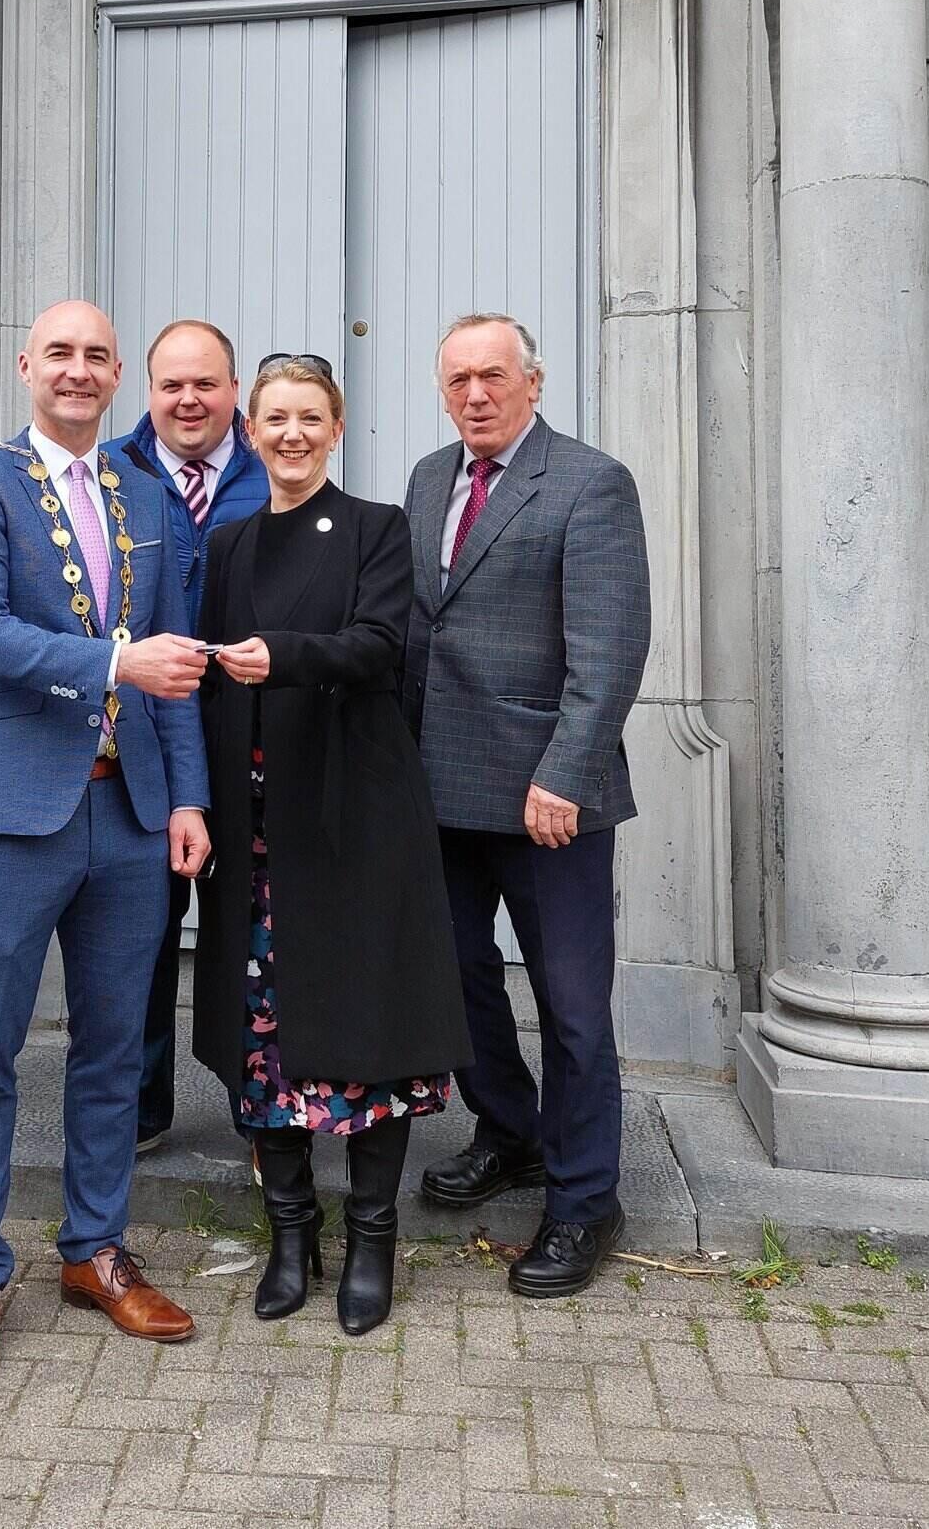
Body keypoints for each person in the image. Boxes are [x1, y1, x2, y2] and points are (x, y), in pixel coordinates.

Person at [0, 300, 211, 1401]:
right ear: (26, 368)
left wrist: (188, 799)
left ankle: (95, 1250)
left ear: (116, 373)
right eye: (62, 355)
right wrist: (111, 668)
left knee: (113, 1051)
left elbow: (176, 664)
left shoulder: (146, 494)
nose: (80, 372)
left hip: (131, 816)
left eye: (99, 356)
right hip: (11, 814)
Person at [193, 354, 471, 1337]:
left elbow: (380, 644)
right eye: (275, 417)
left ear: (337, 426)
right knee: (260, 1041)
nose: (292, 433)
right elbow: (204, 688)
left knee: (372, 1037)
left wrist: (289, 658)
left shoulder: (375, 529)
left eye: (310, 416)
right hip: (257, 831)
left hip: (354, 827)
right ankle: (288, 1234)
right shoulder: (225, 547)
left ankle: (373, 1241)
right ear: (251, 428)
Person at [403, 314, 651, 1299]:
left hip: (550, 802)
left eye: (492, 376)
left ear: (532, 382)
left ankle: (586, 1197)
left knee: (575, 1009)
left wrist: (566, 774)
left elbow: (610, 650)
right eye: (458, 378)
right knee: (461, 987)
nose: (475, 394)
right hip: (442, 793)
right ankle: (510, 1134)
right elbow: (422, 635)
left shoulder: (590, 484)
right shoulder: (427, 481)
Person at [107, 320, 269, 1154]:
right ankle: (139, 1109)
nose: (189, 400)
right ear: (148, 390)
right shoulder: (109, 474)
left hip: (248, 741)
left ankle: (258, 1100)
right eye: (172, 385)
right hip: (142, 740)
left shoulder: (274, 471)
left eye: (205, 383)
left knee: (247, 930)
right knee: (144, 931)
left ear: (233, 390)